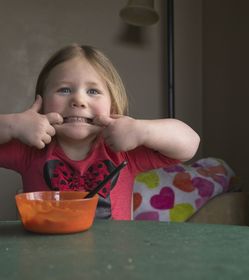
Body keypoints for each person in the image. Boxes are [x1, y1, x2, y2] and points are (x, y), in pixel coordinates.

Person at [0, 44, 200, 220]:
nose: (79, 100)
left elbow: (190, 143)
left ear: (112, 105)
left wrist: (141, 130)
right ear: (42, 103)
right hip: (43, 259)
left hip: (114, 261)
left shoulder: (123, 152)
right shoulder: (30, 150)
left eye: (93, 91)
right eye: (64, 90)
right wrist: (12, 125)